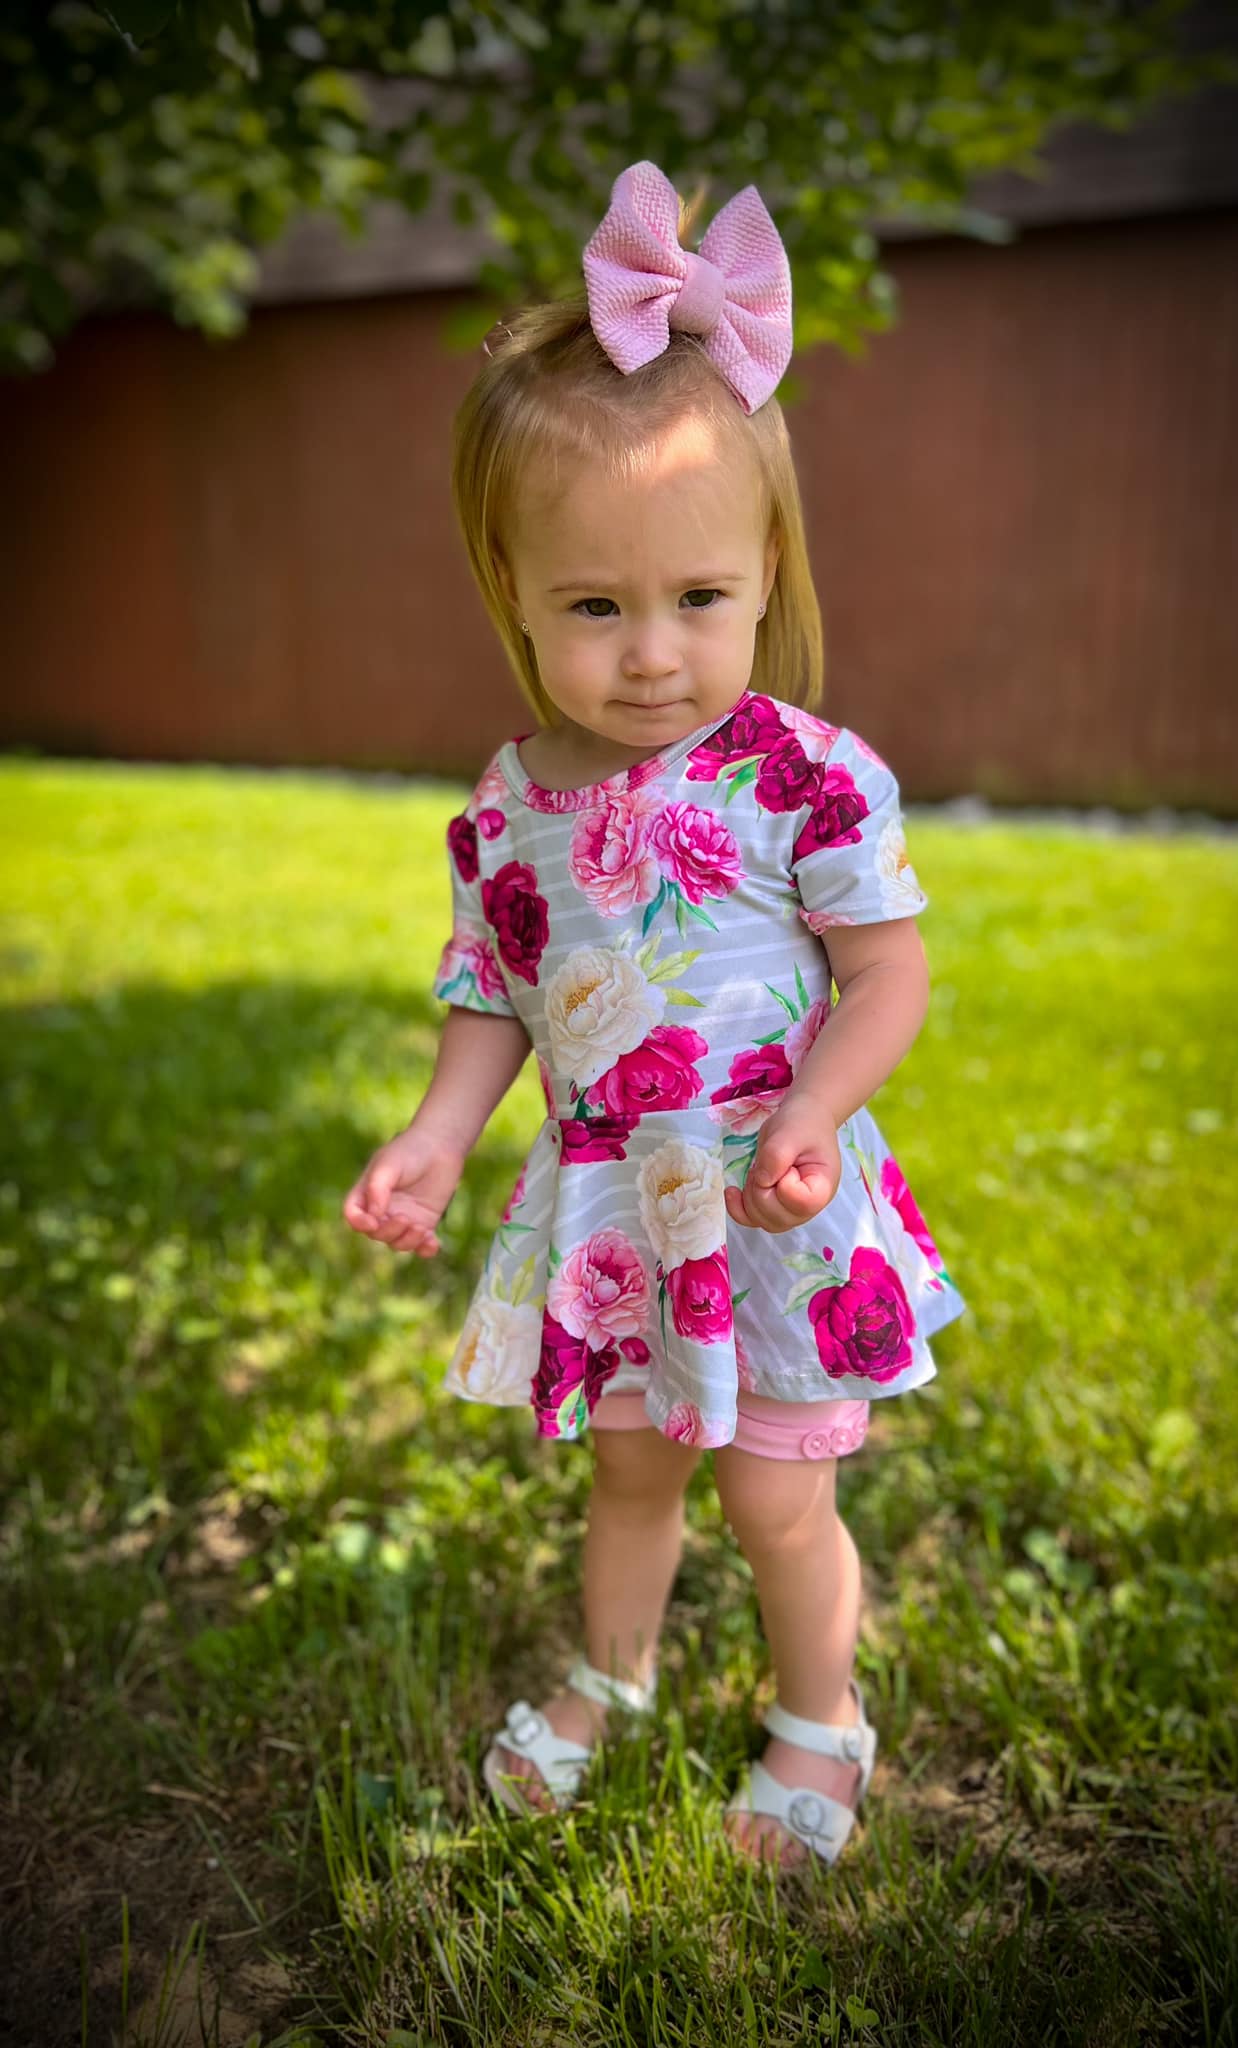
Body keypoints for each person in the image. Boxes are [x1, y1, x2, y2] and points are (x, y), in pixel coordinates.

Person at [343, 160, 965, 1872]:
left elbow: (886, 970)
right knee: (629, 1480)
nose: (646, 655)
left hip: (771, 1192)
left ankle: (819, 1717)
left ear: (764, 570)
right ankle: (607, 1684)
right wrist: (435, 1129)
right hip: (620, 1208)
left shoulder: (803, 776)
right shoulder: (509, 801)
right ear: (513, 593)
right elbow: (494, 991)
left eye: (695, 599)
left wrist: (817, 1111)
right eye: (591, 608)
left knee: (776, 1492)